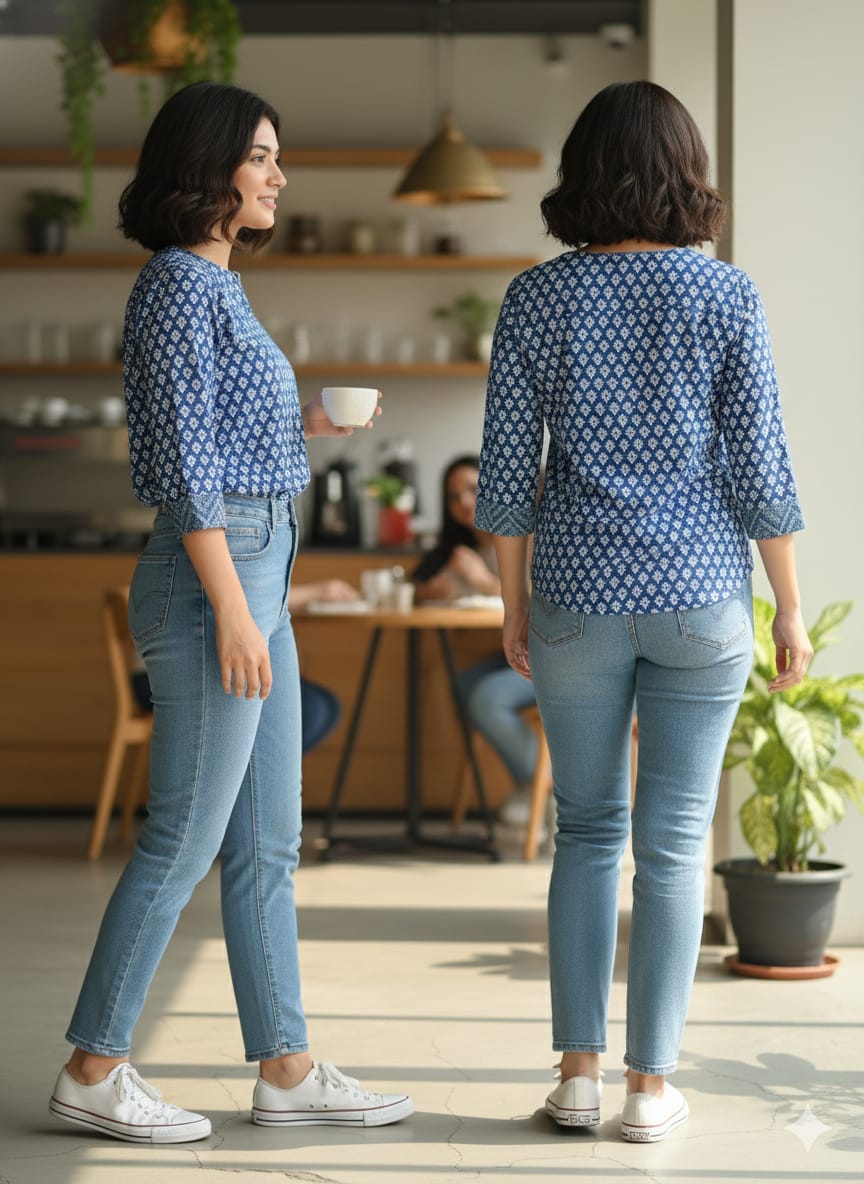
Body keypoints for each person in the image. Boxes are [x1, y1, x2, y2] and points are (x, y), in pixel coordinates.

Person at [49, 82, 412, 1144]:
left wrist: (305, 420)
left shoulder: (217, 288)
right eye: (260, 156)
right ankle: (93, 1063)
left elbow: (223, 437)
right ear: (206, 167)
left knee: (267, 842)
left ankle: (287, 1066)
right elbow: (180, 467)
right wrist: (233, 611)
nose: (277, 174)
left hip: (256, 568)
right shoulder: (173, 285)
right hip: (218, 575)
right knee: (183, 837)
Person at [475, 81, 812, 1143]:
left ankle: (576, 1074)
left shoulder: (537, 297)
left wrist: (510, 602)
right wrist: (790, 608)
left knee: (584, 831)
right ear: (687, 174)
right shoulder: (726, 296)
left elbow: (504, 477)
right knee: (671, 846)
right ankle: (649, 1087)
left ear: (581, 173)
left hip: (576, 592)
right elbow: (762, 468)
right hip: (702, 598)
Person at [412, 455, 539, 825]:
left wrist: (483, 581)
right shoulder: (462, 547)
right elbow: (419, 586)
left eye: (472, 489)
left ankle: (545, 787)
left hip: (547, 655)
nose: (465, 502)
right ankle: (529, 782)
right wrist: (432, 591)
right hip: (511, 653)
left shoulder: (523, 535)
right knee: (463, 684)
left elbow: (535, 600)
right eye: (454, 497)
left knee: (486, 697)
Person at [131, 578, 355, 755]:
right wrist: (317, 592)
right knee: (311, 709)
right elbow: (232, 600)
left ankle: (258, 794)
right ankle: (247, 796)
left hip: (203, 662)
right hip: (166, 674)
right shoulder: (204, 537)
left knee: (327, 705)